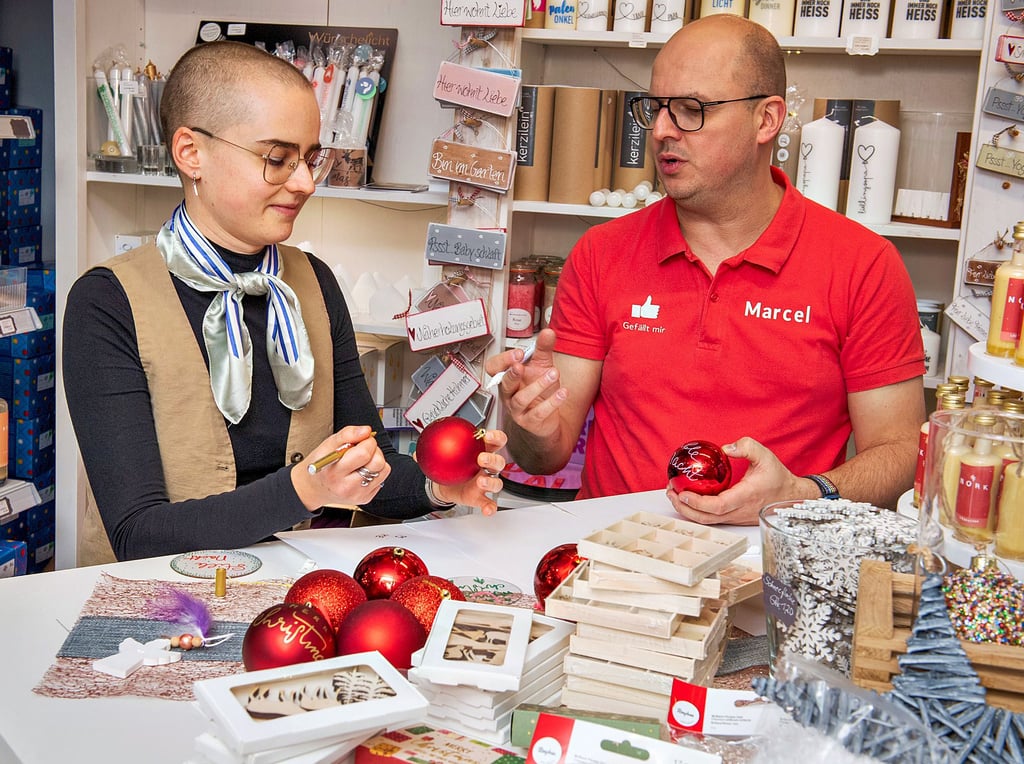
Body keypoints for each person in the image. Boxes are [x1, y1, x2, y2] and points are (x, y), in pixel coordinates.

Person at [64, 41, 506, 565]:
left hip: (292, 584)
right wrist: (304, 489)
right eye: (277, 159)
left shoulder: (313, 282)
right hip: (159, 600)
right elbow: (137, 533)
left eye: (309, 159)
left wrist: (439, 486)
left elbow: (373, 472)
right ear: (191, 153)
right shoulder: (106, 302)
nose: (304, 183)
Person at [485, 14, 925, 525]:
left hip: (770, 560)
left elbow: (899, 454)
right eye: (655, 108)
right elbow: (545, 455)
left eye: (691, 110)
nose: (661, 131)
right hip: (613, 555)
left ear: (767, 120)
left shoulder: (862, 264)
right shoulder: (602, 253)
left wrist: (803, 493)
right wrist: (529, 422)